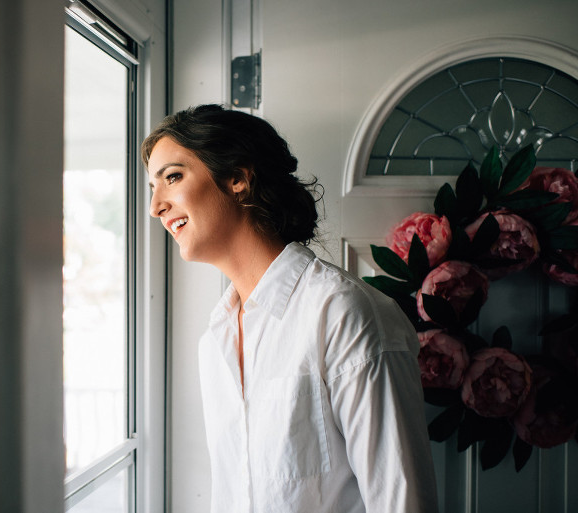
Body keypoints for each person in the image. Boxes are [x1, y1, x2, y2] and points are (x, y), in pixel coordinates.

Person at [142, 104, 438, 513]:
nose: (155, 206)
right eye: (152, 187)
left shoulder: (344, 314)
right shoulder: (216, 339)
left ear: (237, 179)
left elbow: (402, 502)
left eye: (172, 177)